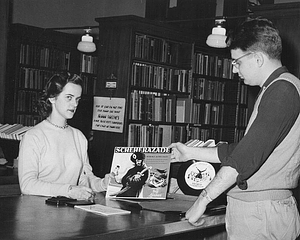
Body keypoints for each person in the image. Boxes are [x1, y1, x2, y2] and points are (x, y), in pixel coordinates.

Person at [170, 18, 300, 240]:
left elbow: (246, 156)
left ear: (258, 58)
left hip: (260, 214)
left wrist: (203, 199)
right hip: (261, 211)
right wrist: (191, 152)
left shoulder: (282, 91)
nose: (233, 69)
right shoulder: (277, 88)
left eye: (237, 62)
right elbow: (244, 149)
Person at [18, 72, 110, 201]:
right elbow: (27, 185)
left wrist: (104, 184)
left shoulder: (79, 137)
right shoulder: (33, 136)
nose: (75, 104)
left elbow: (84, 179)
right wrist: (69, 190)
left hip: (70, 213)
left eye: (77, 99)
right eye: (69, 97)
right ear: (52, 98)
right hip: (38, 212)